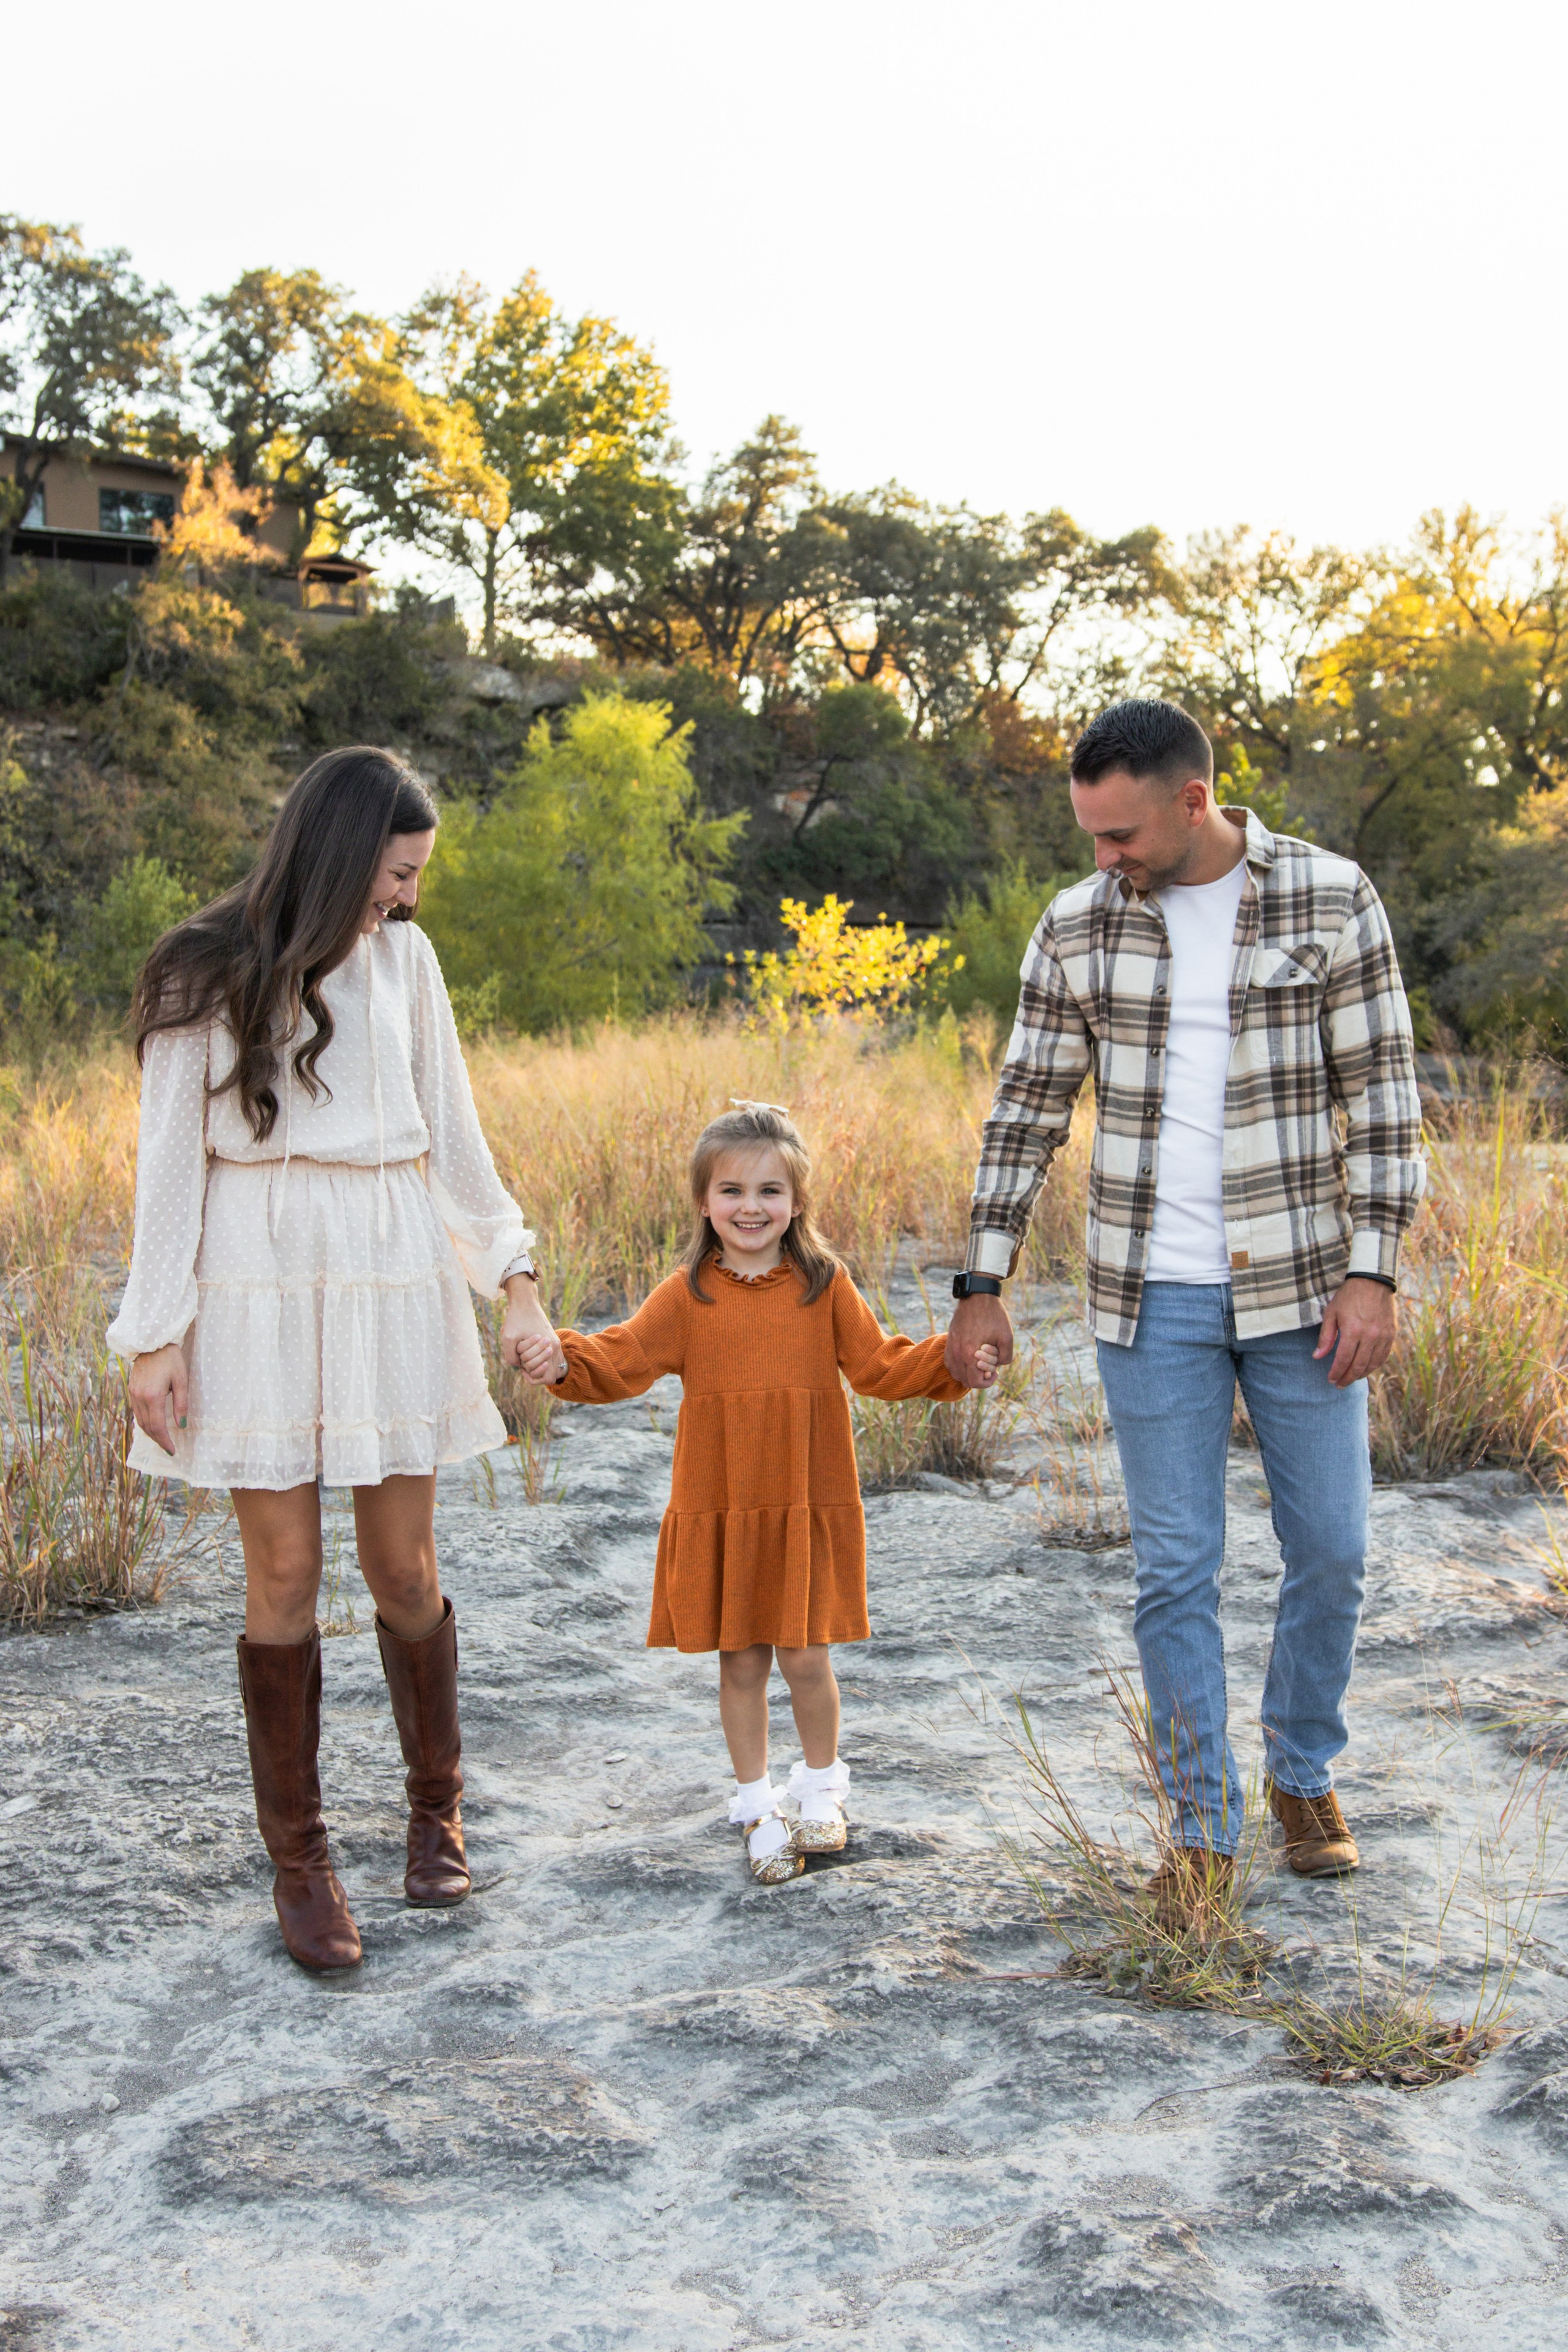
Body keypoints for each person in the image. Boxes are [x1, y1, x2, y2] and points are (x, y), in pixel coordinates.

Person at [945, 699, 1425, 1901]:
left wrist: (1374, 1269)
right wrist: (981, 1279)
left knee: (1333, 1552)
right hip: (1147, 1297)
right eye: (1089, 836)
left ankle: (1300, 1770)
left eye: (1119, 835)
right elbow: (1025, 1109)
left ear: (1193, 802)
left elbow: (1383, 1096)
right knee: (1175, 1571)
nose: (1102, 857)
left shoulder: (1330, 899)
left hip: (1305, 1289)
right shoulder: (1077, 925)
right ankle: (1201, 1831)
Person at [108, 746, 558, 1973]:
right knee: (286, 1572)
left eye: (414, 877)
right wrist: (153, 1335)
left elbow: (455, 1140)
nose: (407, 897)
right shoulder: (199, 971)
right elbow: (166, 1172)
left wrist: (514, 1280)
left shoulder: (408, 961)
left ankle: (434, 1812)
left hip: (390, 1265)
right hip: (252, 1281)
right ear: (341, 852)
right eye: (396, 874)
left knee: (403, 1569)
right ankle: (301, 1864)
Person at [516, 1103, 994, 1882]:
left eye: (770, 1190)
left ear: (797, 1202)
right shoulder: (686, 1295)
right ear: (704, 1202)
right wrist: (561, 1360)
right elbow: (623, 1359)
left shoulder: (824, 1286)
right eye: (731, 1190)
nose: (750, 1206)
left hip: (804, 1497)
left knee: (806, 1655)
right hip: (726, 1501)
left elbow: (878, 1365)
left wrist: (953, 1361)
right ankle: (755, 1803)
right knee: (740, 1662)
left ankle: (821, 1788)